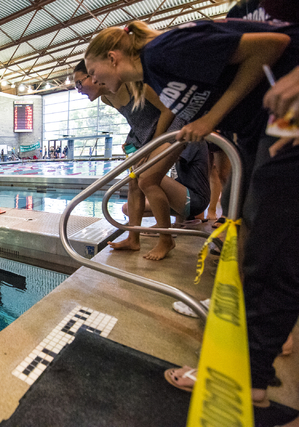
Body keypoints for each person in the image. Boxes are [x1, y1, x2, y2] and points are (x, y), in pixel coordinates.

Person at [85, 16, 299, 419]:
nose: (95, 82)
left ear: (113, 58)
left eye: (95, 74)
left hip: (285, 121)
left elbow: (271, 45)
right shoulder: (155, 73)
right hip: (264, 129)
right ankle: (254, 369)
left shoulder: (165, 51)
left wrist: (211, 119)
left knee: (271, 250)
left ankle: (250, 372)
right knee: (262, 244)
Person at [73, 59, 189, 259]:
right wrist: (134, 142)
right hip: (145, 135)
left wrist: (150, 145)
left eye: (79, 83)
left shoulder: (132, 83)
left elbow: (166, 110)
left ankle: (166, 239)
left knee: (147, 180)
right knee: (134, 184)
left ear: (93, 74)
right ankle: (133, 239)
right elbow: (137, 119)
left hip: (170, 125)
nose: (78, 90)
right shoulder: (107, 99)